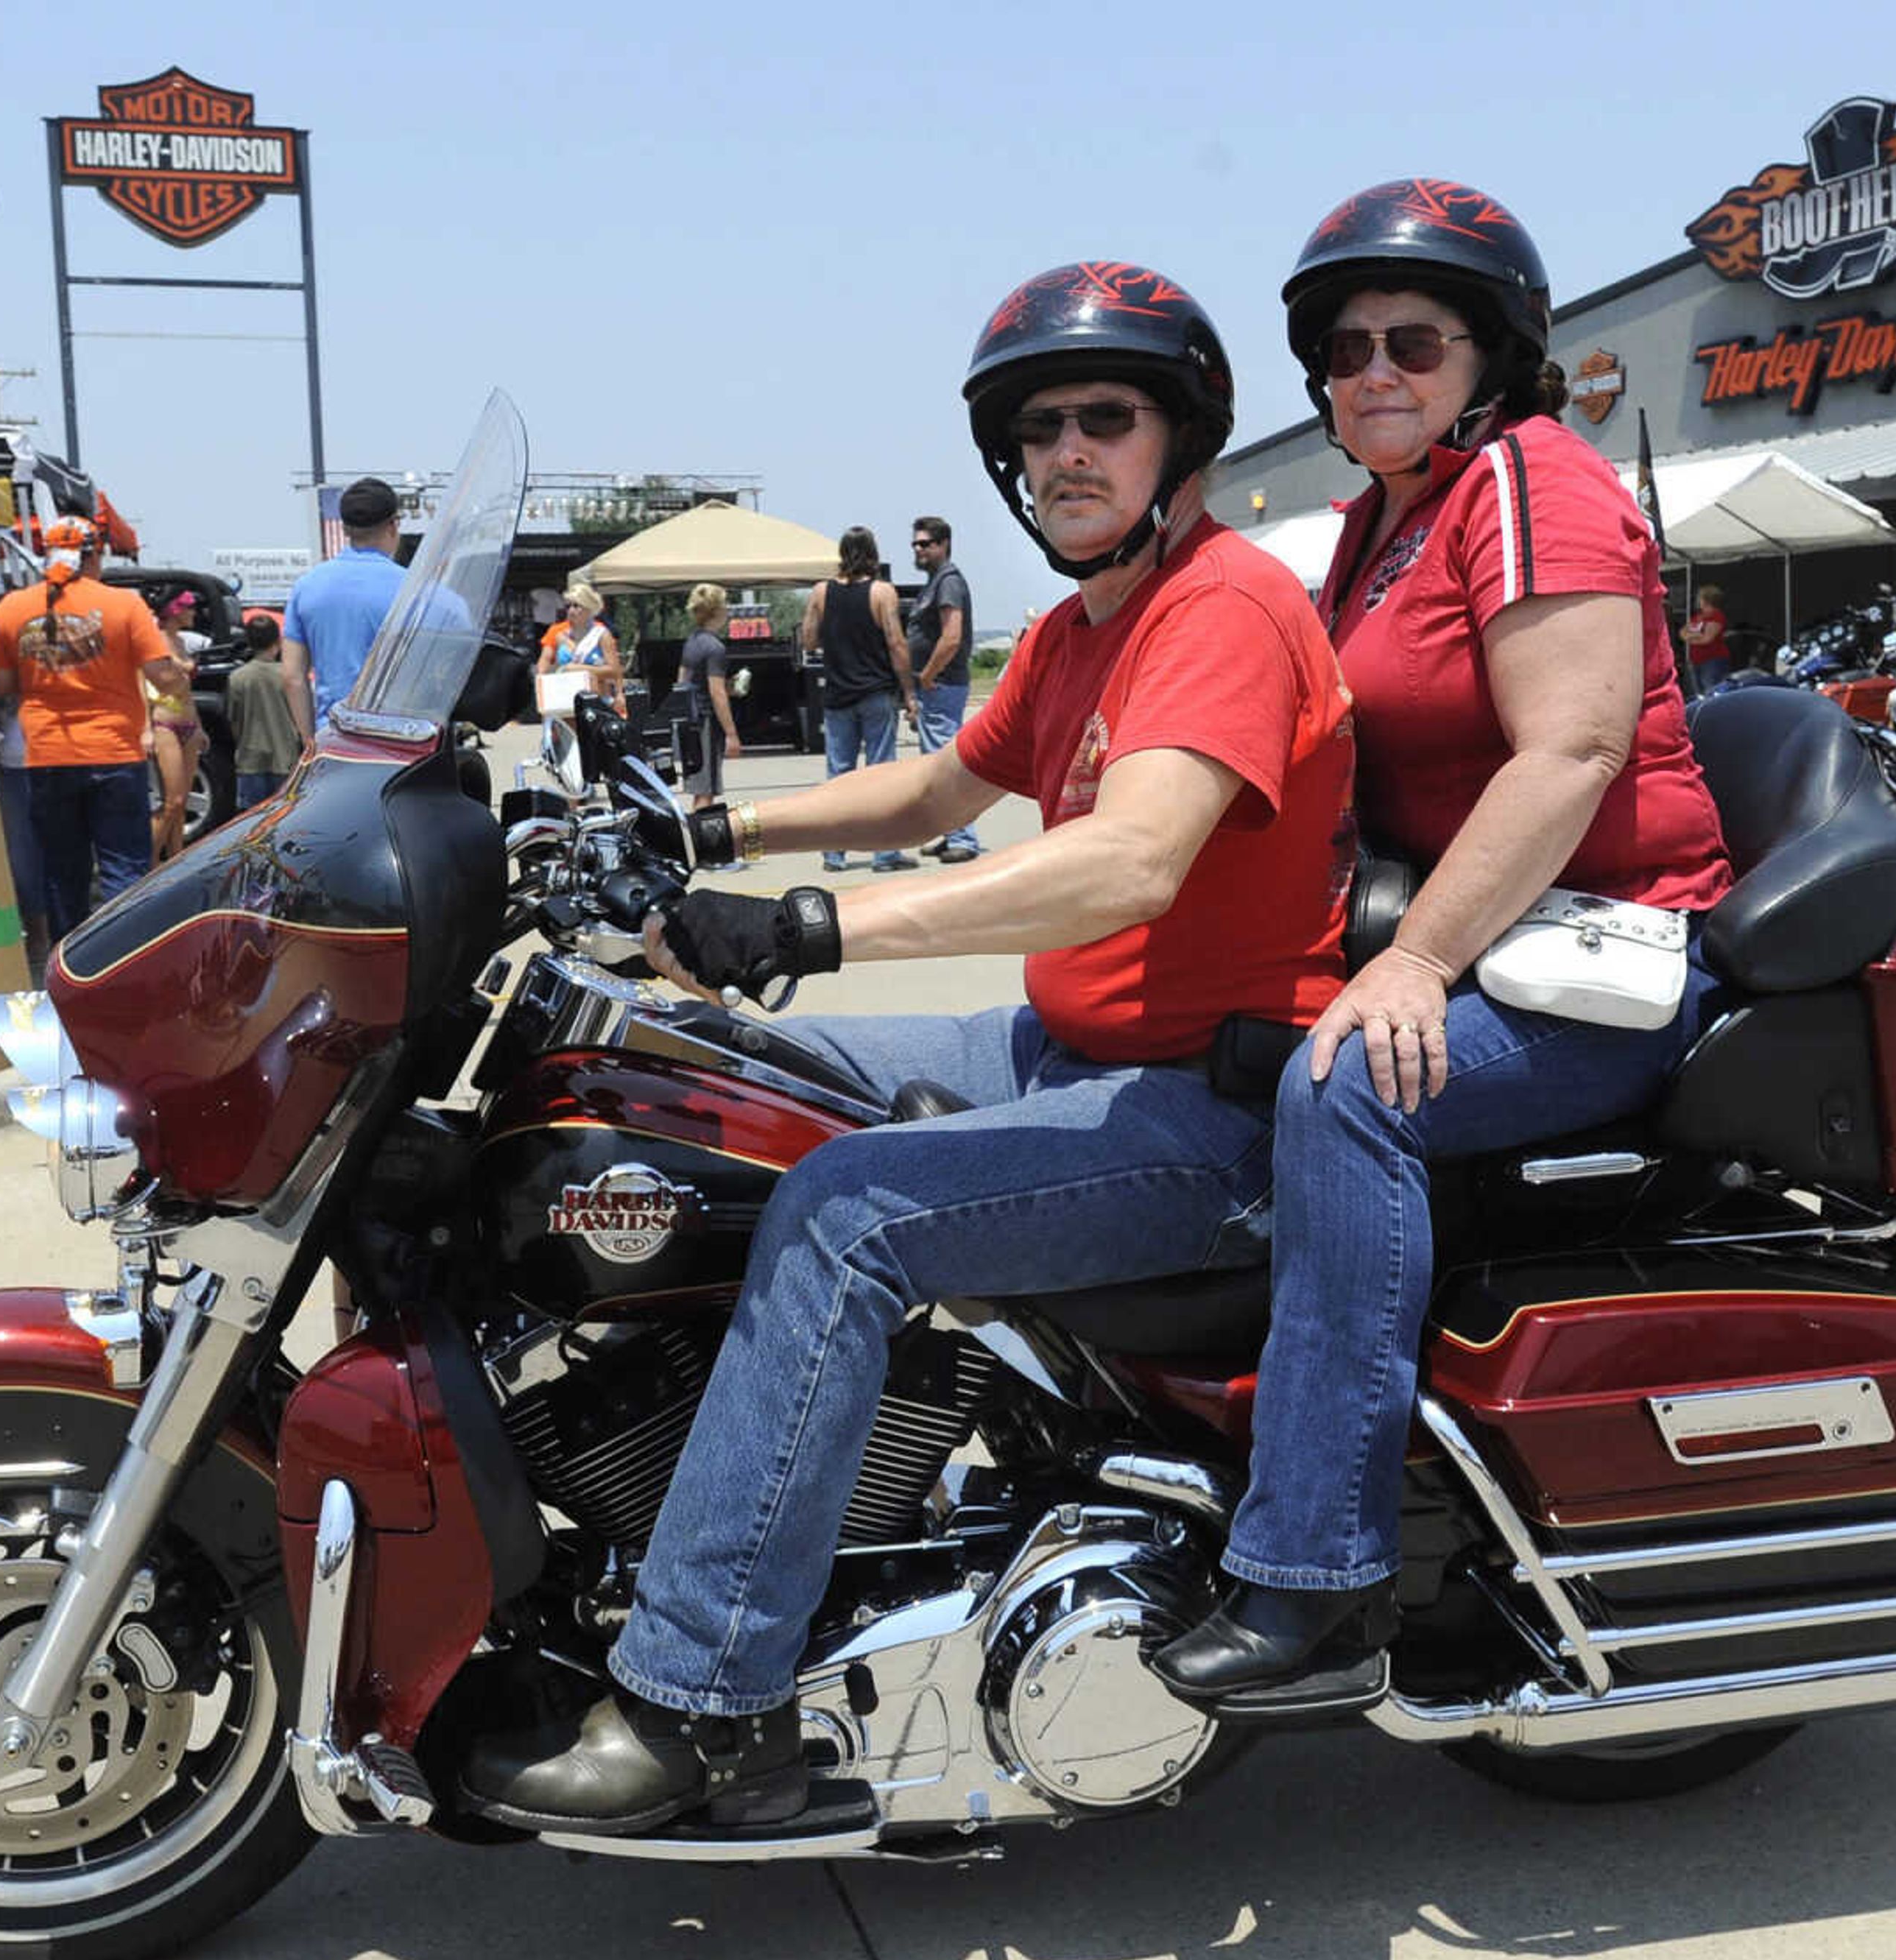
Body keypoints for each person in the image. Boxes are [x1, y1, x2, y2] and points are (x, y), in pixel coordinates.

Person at [461, 261, 1357, 1836]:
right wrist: (707, 824)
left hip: (1212, 1111)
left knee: (845, 1210)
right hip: (1064, 1041)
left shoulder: (1221, 605)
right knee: (706, 1075)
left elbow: (1131, 861)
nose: (1066, 452)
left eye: (1104, 419)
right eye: (1039, 429)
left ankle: (701, 1693)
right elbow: (939, 792)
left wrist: (807, 926)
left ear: (1182, 438)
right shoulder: (1095, 622)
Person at [1149, 180, 1734, 1706]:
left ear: (1495, 356)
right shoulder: (1368, 531)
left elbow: (1573, 752)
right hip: (1480, 932)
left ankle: (1317, 1575)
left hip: (1611, 947)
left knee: (1348, 1087)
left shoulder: (1533, 483)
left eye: (1415, 339)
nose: (1374, 371)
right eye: (1344, 350)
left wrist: (1409, 969)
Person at [0, 517, 186, 938]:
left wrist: (44, 672)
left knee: (62, 871)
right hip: (113, 753)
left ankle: (69, 967)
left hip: (46, 755)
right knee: (122, 867)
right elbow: (162, 677)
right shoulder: (124, 605)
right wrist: (181, 677)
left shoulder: (12, 608)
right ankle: (120, 961)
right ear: (93, 555)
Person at [800, 526, 920, 872]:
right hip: (876, 693)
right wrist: (909, 691)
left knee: (839, 775)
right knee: (882, 774)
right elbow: (897, 644)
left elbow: (808, 640)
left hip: (838, 694)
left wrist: (836, 637)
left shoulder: (821, 592)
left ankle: (834, 854)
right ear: (873, 553)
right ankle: (884, 854)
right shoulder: (883, 592)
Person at [283, 478, 408, 724]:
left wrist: (311, 742)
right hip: (402, 742)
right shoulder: (417, 590)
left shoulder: (307, 587)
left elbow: (292, 677)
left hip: (334, 739)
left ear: (345, 529)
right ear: (393, 526)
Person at [904, 515, 982, 861]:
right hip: (935, 685)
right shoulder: (936, 582)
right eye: (915, 544)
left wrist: (928, 675)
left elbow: (951, 637)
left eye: (925, 544)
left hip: (942, 684)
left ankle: (964, 839)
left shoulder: (948, 582)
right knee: (936, 764)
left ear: (943, 544)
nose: (918, 549)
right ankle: (951, 832)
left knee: (947, 764)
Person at [148, 591, 210, 863]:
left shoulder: (181, 642)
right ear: (175, 610)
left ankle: (174, 861)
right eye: (189, 608)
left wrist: (199, 726)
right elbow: (146, 685)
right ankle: (147, 866)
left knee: (182, 803)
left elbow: (186, 691)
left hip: (187, 721)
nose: (194, 613)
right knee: (172, 803)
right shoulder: (155, 642)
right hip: (164, 722)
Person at [672, 582, 741, 812]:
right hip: (706, 722)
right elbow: (717, 692)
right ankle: (700, 843)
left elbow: (683, 681)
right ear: (717, 611)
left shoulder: (692, 641)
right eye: (726, 605)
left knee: (699, 787)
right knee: (706, 790)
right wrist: (732, 734)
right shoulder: (715, 648)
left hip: (690, 719)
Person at [226, 614, 301, 808]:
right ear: (278, 640)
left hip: (250, 761)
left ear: (249, 641)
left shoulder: (237, 678)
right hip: (286, 760)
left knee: (251, 823)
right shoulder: (290, 676)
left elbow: (234, 721)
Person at [540, 581, 624, 706]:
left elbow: (614, 671)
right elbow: (549, 667)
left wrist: (578, 669)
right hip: (564, 701)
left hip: (596, 700)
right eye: (568, 606)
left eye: (576, 606)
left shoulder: (601, 635)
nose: (571, 611)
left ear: (589, 608)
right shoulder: (560, 636)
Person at [1682, 582, 1732, 693]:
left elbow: (1707, 639)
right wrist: (1696, 636)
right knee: (1698, 692)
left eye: (1700, 597)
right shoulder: (1699, 616)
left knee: (1711, 691)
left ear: (1707, 600)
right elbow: (1682, 633)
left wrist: (1690, 637)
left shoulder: (1716, 615)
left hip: (1712, 661)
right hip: (1696, 661)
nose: (1698, 600)